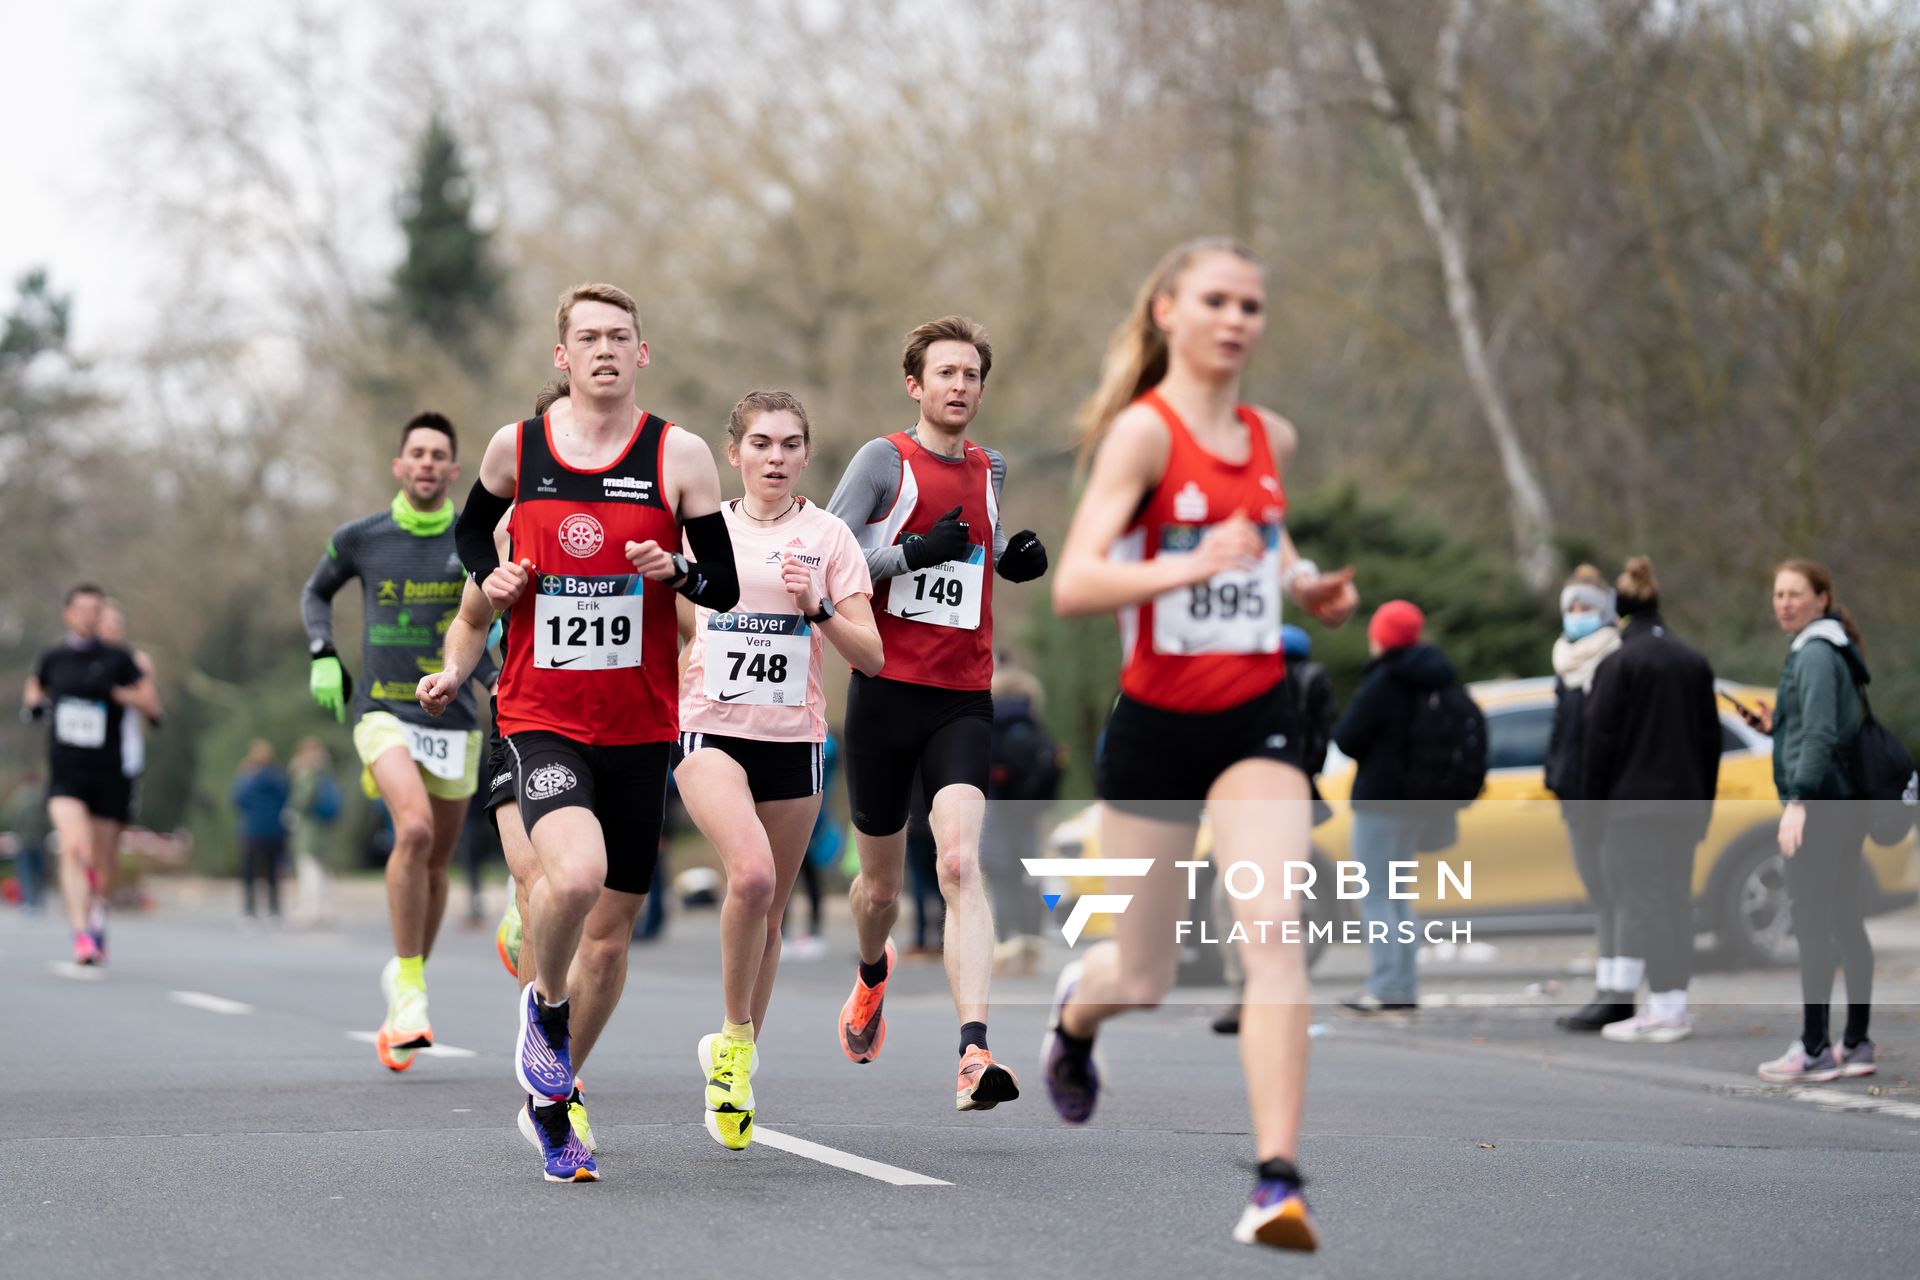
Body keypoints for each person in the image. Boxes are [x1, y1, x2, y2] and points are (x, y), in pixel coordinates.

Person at [1048, 237, 1358, 1250]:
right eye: (1216, 301)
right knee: (1141, 977)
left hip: (1257, 716)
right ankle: (1075, 1021)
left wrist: (1302, 582)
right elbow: (1077, 583)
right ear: (1168, 311)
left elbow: (1262, 540)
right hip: (1155, 727)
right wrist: (1189, 571)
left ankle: (1276, 1178)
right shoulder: (1143, 436)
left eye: (1252, 306)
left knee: (1271, 928)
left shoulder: (1275, 435)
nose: (1236, 320)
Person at [424, 281, 737, 1184]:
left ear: (643, 354)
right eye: (587, 338)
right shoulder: (515, 447)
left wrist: (673, 567)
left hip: (640, 724)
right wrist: (494, 583)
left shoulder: (677, 456)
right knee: (576, 874)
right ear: (562, 357)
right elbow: (472, 531)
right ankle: (545, 1014)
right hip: (540, 713)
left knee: (613, 933)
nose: (604, 350)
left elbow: (717, 578)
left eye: (620, 337)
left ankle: (555, 1097)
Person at [825, 315, 1049, 1109]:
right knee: (880, 892)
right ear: (916, 385)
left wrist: (1011, 565)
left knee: (958, 864)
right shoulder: (884, 461)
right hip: (885, 692)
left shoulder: (992, 470)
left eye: (972, 375)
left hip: (962, 696)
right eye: (945, 373)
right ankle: (872, 970)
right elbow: (829, 557)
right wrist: (912, 554)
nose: (960, 386)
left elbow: (972, 563)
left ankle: (974, 1052)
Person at [672, 389, 881, 1150]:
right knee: (751, 879)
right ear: (734, 455)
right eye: (761, 444)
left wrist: (819, 606)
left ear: (805, 454)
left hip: (794, 743)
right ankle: (733, 1041)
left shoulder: (829, 537)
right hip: (711, 732)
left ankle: (736, 1062)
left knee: (771, 917)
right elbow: (669, 624)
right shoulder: (703, 534)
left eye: (790, 444)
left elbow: (873, 654)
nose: (776, 458)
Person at [301, 411, 487, 1072]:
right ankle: (409, 985)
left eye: (441, 454)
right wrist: (324, 652)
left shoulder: (477, 537)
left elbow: (494, 618)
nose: (429, 463)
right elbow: (315, 592)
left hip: (456, 716)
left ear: (455, 470)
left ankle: (408, 983)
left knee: (435, 863)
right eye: (418, 453)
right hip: (384, 711)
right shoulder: (360, 537)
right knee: (411, 833)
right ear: (399, 467)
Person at [1582, 556, 1720, 1045]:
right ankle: (1672, 1002)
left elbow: (1598, 745)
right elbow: (1710, 743)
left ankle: (1662, 1008)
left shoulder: (1619, 664)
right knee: (1676, 900)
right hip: (1684, 805)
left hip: (1632, 807)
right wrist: (1705, 806)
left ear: (1618, 610)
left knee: (1644, 902)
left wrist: (1591, 812)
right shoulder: (1693, 661)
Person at [1752, 560, 1880, 1082]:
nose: (1784, 602)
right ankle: (1857, 1041)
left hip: (1822, 809)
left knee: (1813, 927)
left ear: (1822, 599)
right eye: (1778, 593)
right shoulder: (1827, 649)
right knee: (1846, 921)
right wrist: (1774, 722)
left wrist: (1799, 800)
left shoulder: (1816, 654)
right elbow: (1820, 723)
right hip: (1843, 808)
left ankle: (1813, 1049)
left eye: (1795, 594)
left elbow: (1823, 734)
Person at [1329, 600, 1464, 1016]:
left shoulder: (1384, 682)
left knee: (1375, 896)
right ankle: (1403, 984)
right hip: (1418, 804)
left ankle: (1386, 985)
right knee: (1399, 895)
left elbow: (1348, 737)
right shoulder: (1437, 678)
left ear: (1381, 637)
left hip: (1379, 801)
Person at [22, 583, 162, 965]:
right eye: (80, 609)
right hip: (66, 770)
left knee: (102, 858)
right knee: (73, 846)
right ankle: (80, 931)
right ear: (67, 613)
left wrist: (120, 694)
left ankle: (97, 911)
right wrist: (34, 704)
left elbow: (152, 706)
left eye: (94, 610)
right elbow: (36, 686)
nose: (87, 616)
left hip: (109, 771)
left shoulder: (120, 659)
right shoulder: (54, 657)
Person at [1213, 624, 1336, 1035]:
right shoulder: (1314, 684)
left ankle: (1245, 993)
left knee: (1229, 893)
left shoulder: (1250, 686)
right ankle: (1283, 994)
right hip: (1291, 799)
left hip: (1247, 798)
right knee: (1281, 896)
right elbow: (1321, 745)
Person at [1546, 566, 1630, 1032]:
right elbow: (1563, 733)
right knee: (1600, 896)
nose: (1577, 617)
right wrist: (1555, 778)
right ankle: (1606, 986)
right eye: (1571, 608)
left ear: (1606, 612)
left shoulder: (1615, 661)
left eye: (1586, 608)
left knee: (1615, 894)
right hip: (1575, 798)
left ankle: (1619, 993)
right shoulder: (1565, 662)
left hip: (1607, 801)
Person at [984, 664, 1061, 976]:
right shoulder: (1035, 726)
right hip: (1029, 815)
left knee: (1001, 878)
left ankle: (1004, 947)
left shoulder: (987, 724)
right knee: (1029, 880)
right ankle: (1031, 950)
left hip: (998, 811)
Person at [98, 600, 159, 827]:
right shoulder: (76, 661)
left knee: (113, 828)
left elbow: (153, 708)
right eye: (103, 623)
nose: (109, 628)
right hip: (83, 761)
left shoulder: (136, 663)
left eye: (114, 623)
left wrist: (115, 693)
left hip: (124, 756)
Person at [286, 737, 343, 927]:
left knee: (309, 868)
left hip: (309, 829)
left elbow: (303, 798)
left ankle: (310, 908)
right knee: (322, 869)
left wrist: (293, 810)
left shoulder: (307, 773)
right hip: (325, 827)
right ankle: (324, 908)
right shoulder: (326, 771)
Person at [232, 740, 291, 921]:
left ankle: (250, 910)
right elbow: (286, 798)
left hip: (253, 830)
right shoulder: (279, 777)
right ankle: (275, 910)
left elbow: (238, 799)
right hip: (275, 830)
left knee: (250, 872)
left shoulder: (249, 777)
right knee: (273, 872)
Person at [6, 771, 53, 913]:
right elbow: (48, 819)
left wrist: (16, 834)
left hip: (25, 840)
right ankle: (37, 902)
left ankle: (29, 902)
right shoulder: (43, 796)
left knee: (26, 873)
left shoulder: (19, 797)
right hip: (39, 840)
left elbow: (14, 819)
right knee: (38, 872)